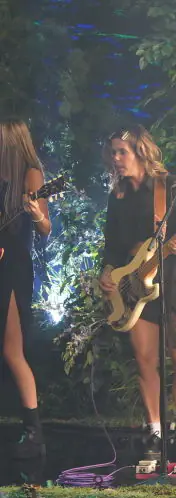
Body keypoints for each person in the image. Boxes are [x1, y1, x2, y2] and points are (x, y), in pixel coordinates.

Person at [97, 125, 176, 464]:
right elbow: (112, 244)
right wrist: (108, 272)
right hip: (136, 287)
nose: (116, 158)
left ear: (140, 152)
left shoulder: (171, 187)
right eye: (113, 152)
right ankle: (154, 432)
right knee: (145, 361)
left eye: (122, 152)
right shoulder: (118, 196)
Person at [0, 118, 51, 462]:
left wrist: (35, 212)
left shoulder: (31, 175)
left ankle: (34, 432)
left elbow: (45, 228)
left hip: (13, 267)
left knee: (12, 349)